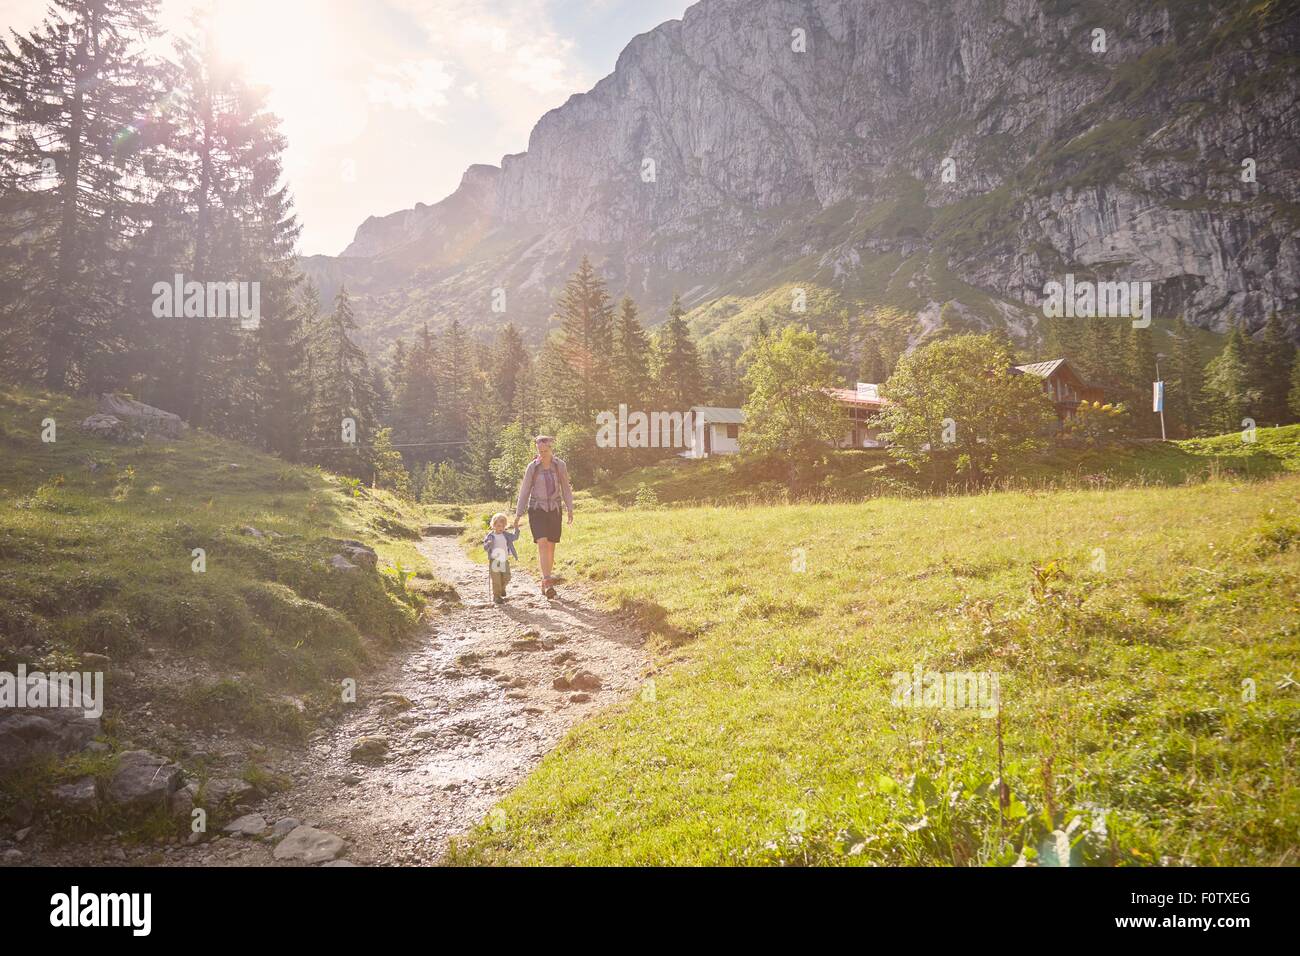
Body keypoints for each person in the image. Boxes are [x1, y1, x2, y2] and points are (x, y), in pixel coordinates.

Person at [513, 435, 573, 599]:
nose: (543, 454)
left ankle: (546, 578)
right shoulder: (532, 467)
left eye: (546, 451)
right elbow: (524, 491)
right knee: (542, 543)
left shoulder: (560, 465)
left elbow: (566, 488)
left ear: (551, 449)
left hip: (554, 509)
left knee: (551, 546)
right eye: (540, 451)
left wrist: (570, 509)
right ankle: (547, 581)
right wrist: (518, 514)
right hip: (537, 508)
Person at [482, 512, 520, 605]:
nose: (500, 528)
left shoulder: (506, 535)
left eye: (503, 526)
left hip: (504, 560)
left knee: (507, 577)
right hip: (494, 560)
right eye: (498, 525)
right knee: (496, 579)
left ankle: (502, 588)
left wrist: (516, 528)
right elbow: (485, 547)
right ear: (494, 525)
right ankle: (497, 596)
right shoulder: (491, 536)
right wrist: (489, 543)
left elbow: (515, 537)